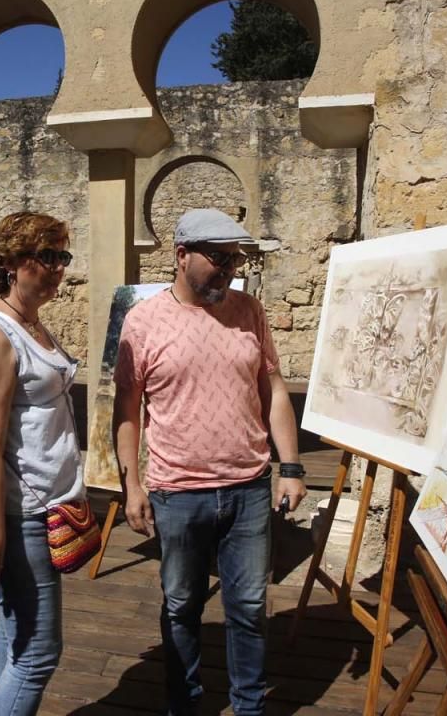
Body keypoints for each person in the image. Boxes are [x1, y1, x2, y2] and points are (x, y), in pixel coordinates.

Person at [113, 208, 306, 716]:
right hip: (176, 494)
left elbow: (274, 390)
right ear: (181, 256)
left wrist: (290, 466)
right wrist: (131, 486)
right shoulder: (144, 321)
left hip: (248, 489)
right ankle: (186, 703)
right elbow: (126, 412)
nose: (229, 269)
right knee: (181, 606)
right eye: (219, 258)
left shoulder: (250, 311)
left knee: (247, 608)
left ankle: (248, 706)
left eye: (235, 260)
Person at [0, 211, 83, 716]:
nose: (56, 268)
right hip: (13, 511)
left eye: (62, 257)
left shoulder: (30, 323)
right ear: (9, 263)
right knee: (40, 651)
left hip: (38, 502)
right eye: (45, 256)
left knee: (17, 634)